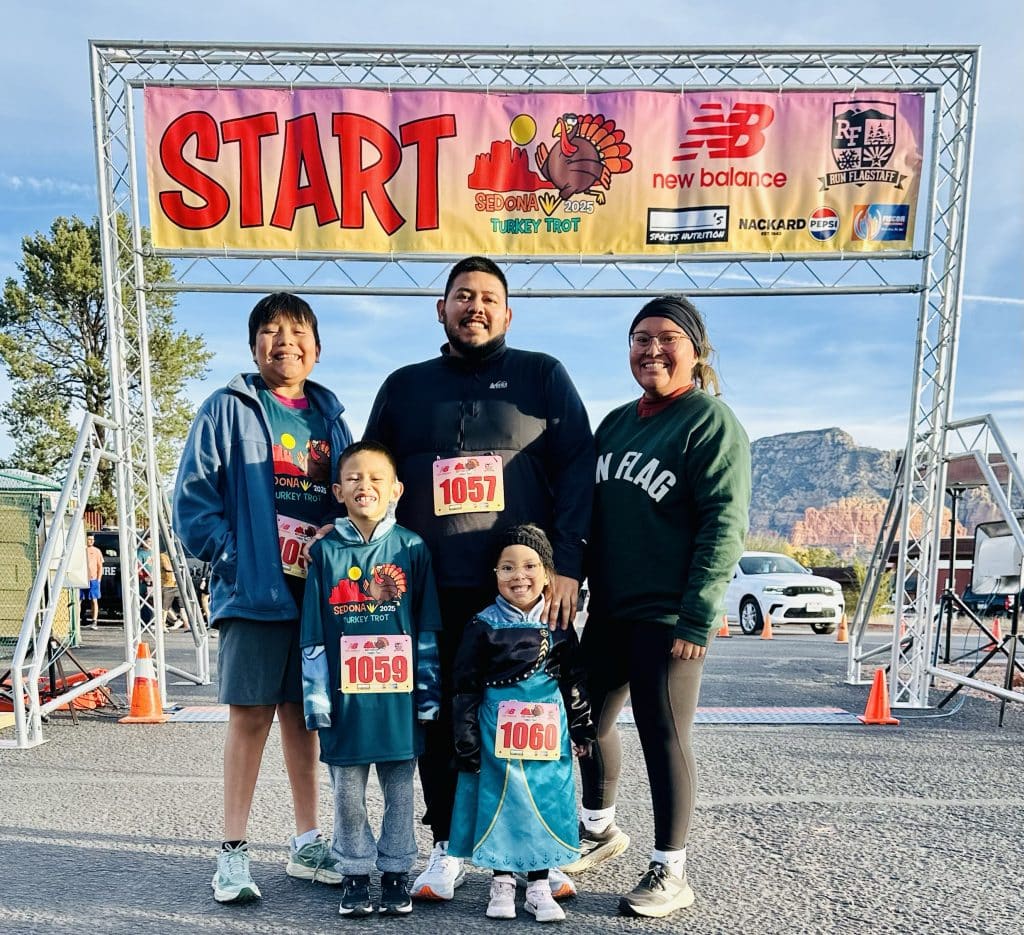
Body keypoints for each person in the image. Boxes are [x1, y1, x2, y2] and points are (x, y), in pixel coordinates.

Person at [363, 255, 594, 902]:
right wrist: (365, 556)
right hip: (430, 589)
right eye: (462, 295)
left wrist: (569, 564)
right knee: (441, 720)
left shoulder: (541, 376)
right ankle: (448, 845)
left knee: (531, 716)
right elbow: (370, 476)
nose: (476, 306)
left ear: (508, 312)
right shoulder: (405, 385)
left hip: (521, 593)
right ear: (441, 308)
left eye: (489, 297)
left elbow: (578, 465)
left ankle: (539, 848)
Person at [568, 296, 751, 919]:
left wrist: (698, 616)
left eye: (667, 338)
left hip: (668, 617)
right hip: (612, 611)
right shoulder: (616, 424)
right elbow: (592, 516)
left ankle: (671, 868)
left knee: (662, 736)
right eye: (640, 338)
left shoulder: (708, 422)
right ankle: (599, 829)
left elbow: (723, 525)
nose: (652, 350)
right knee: (584, 721)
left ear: (695, 351)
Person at [173, 292, 353, 904]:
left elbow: (350, 493)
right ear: (254, 346)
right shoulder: (226, 409)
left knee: (305, 719)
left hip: (314, 598)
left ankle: (307, 842)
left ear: (317, 347)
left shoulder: (330, 417)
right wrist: (236, 557)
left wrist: (342, 529)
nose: (285, 342)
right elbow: (193, 502)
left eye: (297, 331)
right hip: (253, 594)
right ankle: (232, 853)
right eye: (271, 331)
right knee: (249, 717)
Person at [301, 440, 442, 917]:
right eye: (355, 478)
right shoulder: (324, 553)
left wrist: (427, 693)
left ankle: (398, 870)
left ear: (396, 489)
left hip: (398, 702)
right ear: (338, 490)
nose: (366, 485)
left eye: (377, 478)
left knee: (401, 789)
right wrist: (316, 698)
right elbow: (314, 632)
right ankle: (356, 872)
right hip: (345, 702)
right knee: (347, 792)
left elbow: (427, 626)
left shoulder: (412, 548)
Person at [449, 525, 595, 923]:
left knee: (545, 803)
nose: (520, 576)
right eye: (508, 567)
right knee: (503, 803)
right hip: (497, 730)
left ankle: (538, 883)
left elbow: (573, 680)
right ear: (494, 574)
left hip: (548, 734)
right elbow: (465, 686)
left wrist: (582, 729)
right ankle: (501, 881)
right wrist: (465, 739)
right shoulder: (482, 624)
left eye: (531, 565)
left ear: (548, 573)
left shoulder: (559, 625)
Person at [81, 534, 103, 629]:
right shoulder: (81, 550)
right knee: (80, 599)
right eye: (89, 539)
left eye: (92, 539)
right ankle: (79, 620)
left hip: (93, 579)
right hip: (81, 578)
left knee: (94, 600)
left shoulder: (97, 551)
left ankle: (94, 621)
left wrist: (98, 579)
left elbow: (100, 566)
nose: (91, 541)